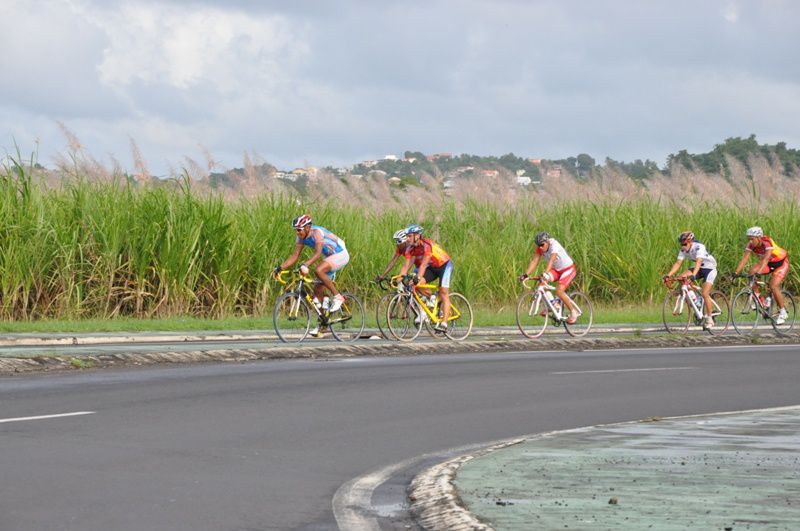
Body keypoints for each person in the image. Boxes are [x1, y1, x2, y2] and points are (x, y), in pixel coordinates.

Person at [273, 215, 349, 335]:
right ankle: (323, 325)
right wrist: (279, 268)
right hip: (329, 258)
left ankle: (338, 296)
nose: (297, 232)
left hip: (340, 254)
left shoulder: (316, 233)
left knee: (318, 270)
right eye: (295, 230)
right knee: (317, 292)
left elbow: (318, 253)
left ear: (308, 227)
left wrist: (306, 264)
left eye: (299, 229)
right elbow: (294, 256)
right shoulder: (300, 238)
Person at [397, 224, 454, 333]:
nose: (407, 239)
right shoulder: (410, 249)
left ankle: (444, 323)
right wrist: (398, 279)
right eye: (407, 236)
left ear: (417, 236)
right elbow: (405, 266)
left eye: (409, 236)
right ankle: (432, 298)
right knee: (415, 285)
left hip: (445, 265)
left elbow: (423, 265)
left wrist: (417, 278)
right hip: (433, 267)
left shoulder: (427, 245)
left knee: (443, 292)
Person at [519, 231, 579, 324]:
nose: (540, 247)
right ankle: (554, 305)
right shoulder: (540, 248)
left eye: (542, 245)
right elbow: (535, 261)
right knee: (542, 283)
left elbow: (552, 260)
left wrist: (546, 272)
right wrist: (526, 274)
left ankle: (573, 312)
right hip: (556, 270)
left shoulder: (554, 245)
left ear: (547, 242)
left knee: (559, 291)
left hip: (568, 269)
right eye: (538, 245)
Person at [734, 226, 790, 324]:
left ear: (759, 237)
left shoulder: (767, 242)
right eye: (749, 239)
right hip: (768, 264)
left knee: (773, 285)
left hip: (781, 263)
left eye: (752, 239)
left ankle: (783, 311)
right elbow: (744, 259)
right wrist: (735, 273)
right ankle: (759, 298)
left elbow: (766, 259)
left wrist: (759, 272)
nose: (750, 241)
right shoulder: (751, 245)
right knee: (751, 272)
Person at [664, 231, 719, 328]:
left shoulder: (699, 247)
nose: (683, 246)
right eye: (681, 244)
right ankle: (697, 303)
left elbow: (698, 262)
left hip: (709, 269)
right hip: (699, 268)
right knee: (682, 278)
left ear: (690, 242)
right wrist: (668, 275)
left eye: (685, 244)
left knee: (705, 293)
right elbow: (678, 263)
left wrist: (693, 275)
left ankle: (710, 319)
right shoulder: (683, 250)